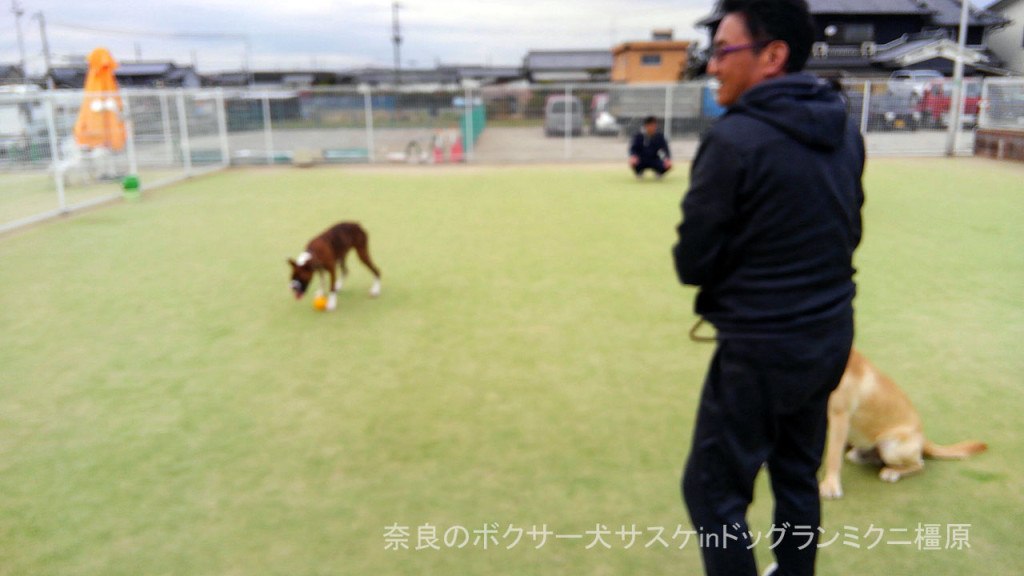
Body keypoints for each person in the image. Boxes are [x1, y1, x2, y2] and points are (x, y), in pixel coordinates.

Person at [672, 1, 865, 575]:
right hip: (829, 334)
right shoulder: (844, 128)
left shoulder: (736, 140)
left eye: (724, 52)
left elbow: (693, 261)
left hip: (759, 348)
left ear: (773, 55)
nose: (712, 67)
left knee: (713, 492)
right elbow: (847, 230)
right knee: (796, 473)